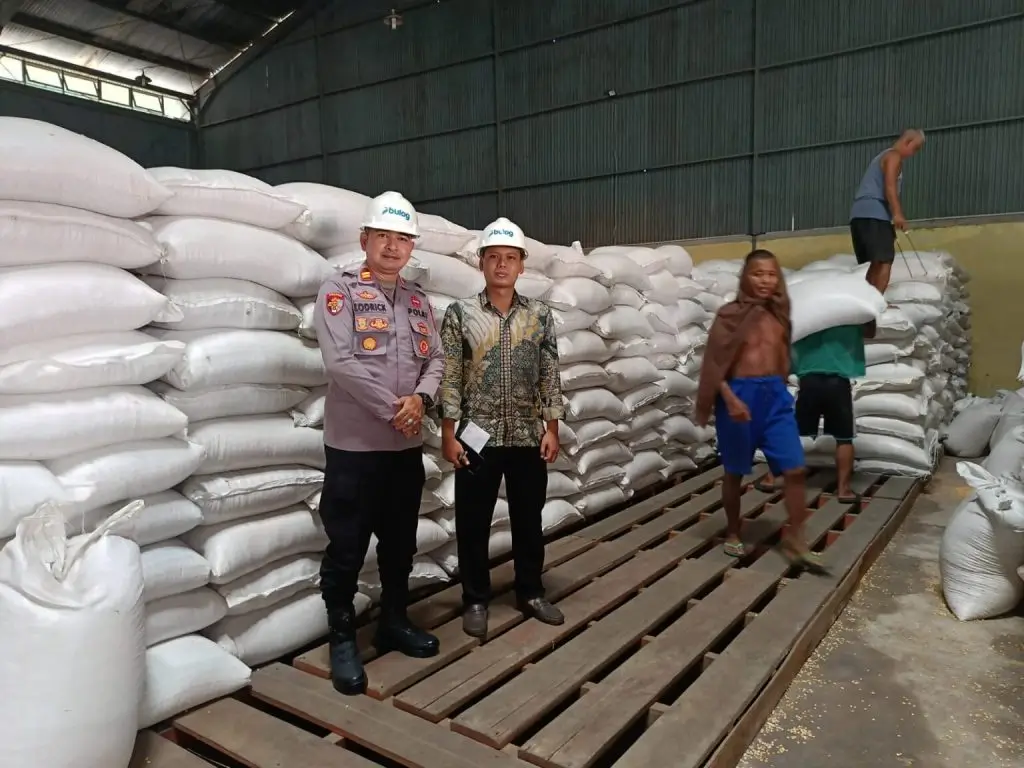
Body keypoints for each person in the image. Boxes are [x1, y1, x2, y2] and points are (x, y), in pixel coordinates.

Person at [313, 190, 445, 696]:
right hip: (354, 447)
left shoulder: (418, 300)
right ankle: (342, 637)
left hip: (403, 449)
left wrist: (422, 398)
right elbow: (341, 362)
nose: (393, 246)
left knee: (399, 542)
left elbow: (435, 360)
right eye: (383, 236)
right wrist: (398, 409)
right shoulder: (339, 290)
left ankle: (393, 619)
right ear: (364, 239)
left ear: (412, 246)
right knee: (347, 546)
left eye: (403, 238)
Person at [438, 217, 565, 638]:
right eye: (494, 257)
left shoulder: (540, 316)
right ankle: (475, 598)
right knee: (473, 522)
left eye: (510, 257)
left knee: (528, 519)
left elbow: (550, 373)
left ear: (522, 265)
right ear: (482, 262)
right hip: (478, 437)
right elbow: (450, 376)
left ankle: (530, 591)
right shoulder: (461, 314)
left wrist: (552, 427)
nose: (502, 265)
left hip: (528, 436)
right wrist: (448, 433)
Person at [695, 249, 826, 573]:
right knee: (735, 471)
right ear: (746, 277)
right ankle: (733, 531)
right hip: (738, 396)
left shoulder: (780, 315)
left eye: (771, 274)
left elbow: (782, 356)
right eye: (758, 274)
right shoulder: (729, 315)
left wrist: (782, 387)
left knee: (795, 468)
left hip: (775, 399)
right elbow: (714, 363)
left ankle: (797, 539)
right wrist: (729, 398)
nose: (766, 280)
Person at [757, 322, 871, 504]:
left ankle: (771, 478)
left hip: (809, 381)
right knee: (845, 438)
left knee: (790, 432)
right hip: (838, 383)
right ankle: (844, 490)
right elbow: (870, 331)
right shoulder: (847, 316)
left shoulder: (807, 317)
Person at [850, 129, 926, 297]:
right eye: (915, 148)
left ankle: (867, 300)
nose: (914, 153)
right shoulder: (893, 156)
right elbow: (889, 186)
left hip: (861, 215)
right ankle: (876, 302)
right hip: (874, 213)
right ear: (908, 142)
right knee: (885, 261)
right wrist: (897, 213)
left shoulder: (882, 156)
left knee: (876, 262)